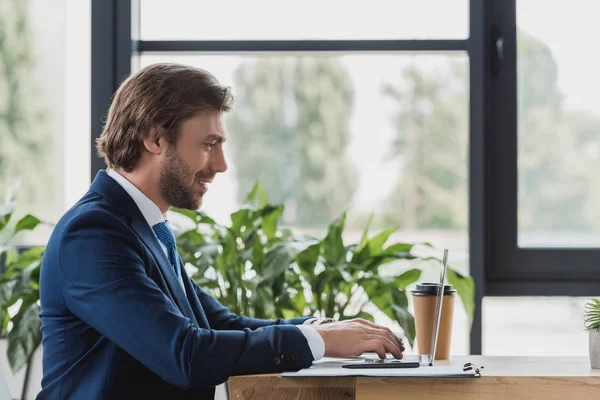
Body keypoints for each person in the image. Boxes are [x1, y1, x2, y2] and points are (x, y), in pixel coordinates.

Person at [37, 63, 404, 400]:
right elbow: (186, 354)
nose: (221, 165)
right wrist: (320, 340)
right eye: (209, 144)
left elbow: (218, 323)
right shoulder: (92, 234)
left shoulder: (143, 226)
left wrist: (323, 328)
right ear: (155, 139)